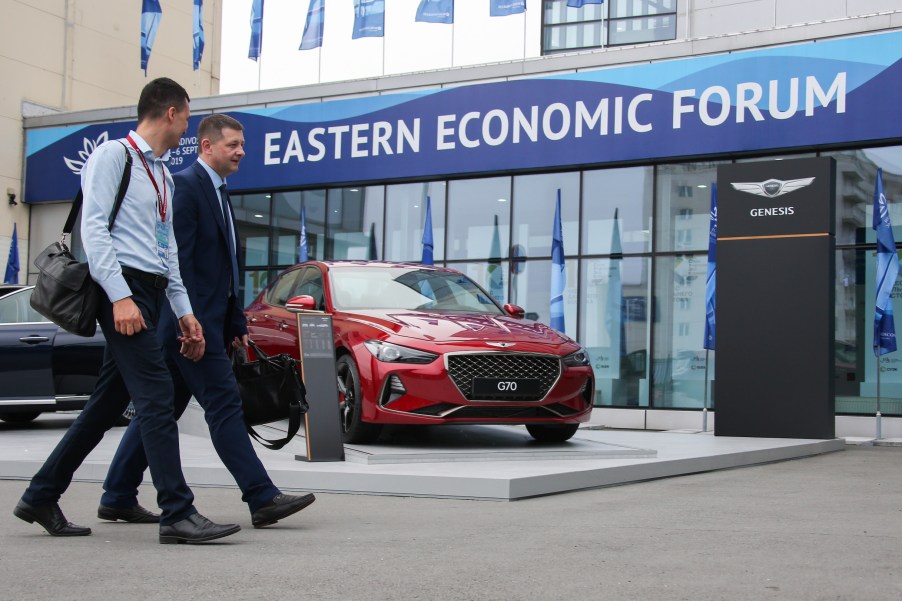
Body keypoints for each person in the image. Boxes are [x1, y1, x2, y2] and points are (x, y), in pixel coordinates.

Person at [13, 78, 240, 545]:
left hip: (153, 291)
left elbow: (167, 249)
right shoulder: (113, 156)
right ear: (171, 113)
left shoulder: (161, 175)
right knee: (157, 395)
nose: (187, 128)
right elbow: (94, 233)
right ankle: (177, 511)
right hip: (123, 288)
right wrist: (119, 297)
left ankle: (40, 494)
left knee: (104, 407)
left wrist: (184, 309)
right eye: (187, 116)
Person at [98, 113, 315, 529]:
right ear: (207, 146)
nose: (241, 151)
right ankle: (261, 495)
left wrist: (234, 322)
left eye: (242, 145)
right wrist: (191, 323)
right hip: (188, 328)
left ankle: (117, 494)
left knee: (158, 410)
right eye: (232, 144)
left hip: (206, 325)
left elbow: (226, 268)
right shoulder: (185, 188)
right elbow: (177, 265)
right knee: (223, 403)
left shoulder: (219, 191)